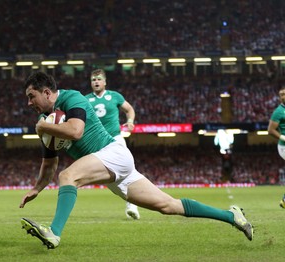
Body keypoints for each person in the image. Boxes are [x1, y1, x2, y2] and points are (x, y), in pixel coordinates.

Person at [19, 72, 253, 249]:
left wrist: (42, 126)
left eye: (32, 96)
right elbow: (49, 162)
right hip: (110, 167)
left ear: (47, 92)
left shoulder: (72, 98)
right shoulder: (46, 121)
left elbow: (76, 131)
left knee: (68, 176)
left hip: (113, 154)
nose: (29, 103)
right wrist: (37, 188)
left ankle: (54, 233)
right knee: (168, 205)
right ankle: (232, 216)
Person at [84, 69, 140, 219]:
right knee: (109, 178)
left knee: (128, 169)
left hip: (115, 138)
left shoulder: (115, 96)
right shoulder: (85, 99)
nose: (96, 82)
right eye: (93, 79)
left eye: (98, 79)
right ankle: (131, 199)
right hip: (97, 143)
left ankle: (134, 201)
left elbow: (129, 109)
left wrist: (130, 121)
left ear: (105, 82)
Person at [267, 86, 285, 209]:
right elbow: (270, 130)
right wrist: (282, 137)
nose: (283, 96)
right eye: (281, 94)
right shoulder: (279, 111)